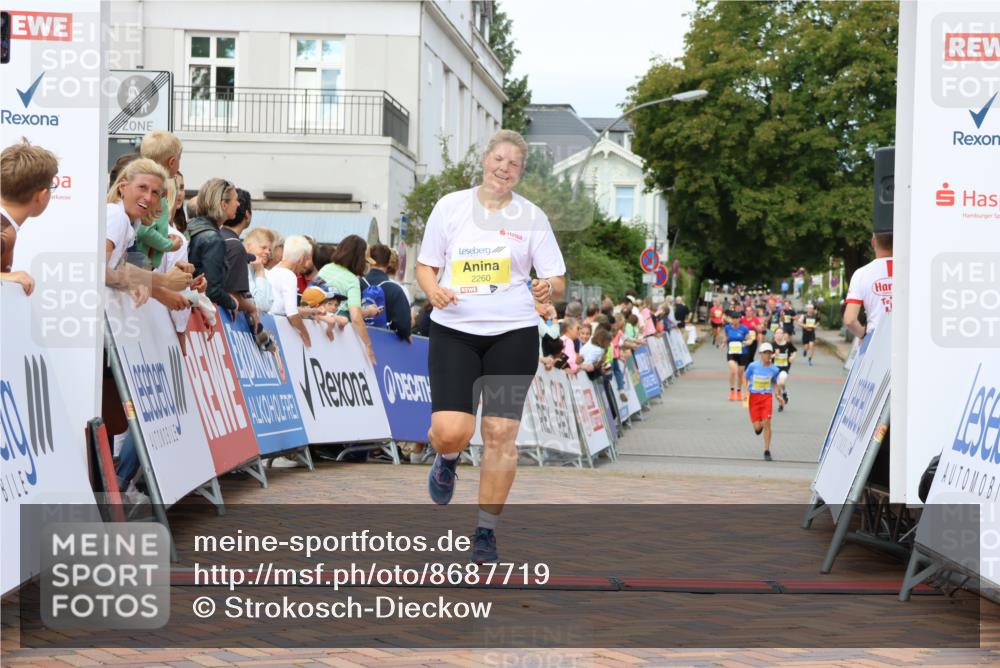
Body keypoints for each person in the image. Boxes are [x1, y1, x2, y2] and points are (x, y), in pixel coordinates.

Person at [415, 129, 565, 564]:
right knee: (452, 431)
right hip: (455, 331)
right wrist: (433, 291)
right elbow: (426, 266)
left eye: (514, 164)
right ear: (485, 160)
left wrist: (546, 288)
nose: (504, 168)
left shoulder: (531, 217)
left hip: (513, 333)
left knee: (500, 434)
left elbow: (556, 279)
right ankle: (446, 457)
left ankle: (485, 532)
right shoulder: (450, 207)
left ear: (521, 172)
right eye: (499, 159)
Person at [1, 138, 59, 295]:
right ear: (42, 196)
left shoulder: (6, 226)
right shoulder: (4, 231)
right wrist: (5, 277)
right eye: (52, 187)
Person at [316, 234, 377, 365]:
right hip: (336, 338)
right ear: (359, 259)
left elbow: (311, 299)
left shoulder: (326, 268)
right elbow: (356, 317)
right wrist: (368, 345)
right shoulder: (352, 280)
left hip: (316, 326)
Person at [187, 178, 241, 316]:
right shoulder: (214, 240)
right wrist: (232, 302)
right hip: (193, 312)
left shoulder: (190, 226)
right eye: (236, 200)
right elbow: (212, 290)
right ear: (224, 204)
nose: (238, 204)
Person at [135, 130, 184, 269]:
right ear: (172, 162)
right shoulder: (153, 194)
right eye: (179, 160)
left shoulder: (142, 188)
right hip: (141, 264)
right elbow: (144, 231)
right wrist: (169, 245)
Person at [267, 234, 313, 348]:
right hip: (276, 328)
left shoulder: (273, 270)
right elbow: (292, 314)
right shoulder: (289, 276)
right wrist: (306, 334)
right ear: (301, 259)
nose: (306, 265)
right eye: (307, 259)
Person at [844, 232, 892, 340]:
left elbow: (849, 320)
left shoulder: (861, 274)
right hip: (907, 341)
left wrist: (863, 335)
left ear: (873, 243)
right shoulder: (912, 271)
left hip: (876, 340)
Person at [745, 343, 785, 460]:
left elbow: (774, 382)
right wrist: (744, 391)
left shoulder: (774, 369)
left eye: (769, 353)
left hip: (766, 397)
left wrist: (777, 395)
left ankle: (767, 451)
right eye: (765, 353)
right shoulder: (753, 366)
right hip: (754, 398)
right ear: (760, 354)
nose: (767, 355)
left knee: (767, 422)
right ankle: (760, 425)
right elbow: (745, 377)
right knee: (757, 428)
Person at [365, 243, 412, 341]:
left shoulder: (357, 283)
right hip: (384, 342)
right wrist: (406, 333)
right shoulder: (395, 290)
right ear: (388, 263)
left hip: (356, 339)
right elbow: (403, 325)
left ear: (369, 261)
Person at [243, 227, 275, 313]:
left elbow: (268, 306)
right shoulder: (242, 268)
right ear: (248, 247)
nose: (268, 252)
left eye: (269, 249)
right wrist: (260, 273)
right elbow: (260, 305)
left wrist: (260, 272)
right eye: (263, 247)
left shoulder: (260, 270)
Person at [724, 311, 751, 402]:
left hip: (742, 353)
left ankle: (738, 391)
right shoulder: (727, 328)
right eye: (733, 319)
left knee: (740, 373)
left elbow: (750, 339)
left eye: (736, 319)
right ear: (731, 319)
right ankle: (732, 391)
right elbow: (726, 337)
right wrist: (723, 343)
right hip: (731, 352)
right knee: (733, 370)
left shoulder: (744, 329)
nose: (734, 320)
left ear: (739, 319)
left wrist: (746, 342)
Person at [771, 328, 797, 411]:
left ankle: (785, 392)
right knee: (777, 392)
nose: (779, 335)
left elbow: (794, 351)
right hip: (774, 370)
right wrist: (774, 355)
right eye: (777, 333)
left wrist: (792, 357)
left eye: (780, 333)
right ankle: (781, 404)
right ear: (774, 335)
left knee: (781, 382)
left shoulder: (788, 344)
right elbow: (767, 357)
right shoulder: (772, 345)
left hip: (784, 368)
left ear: (783, 335)